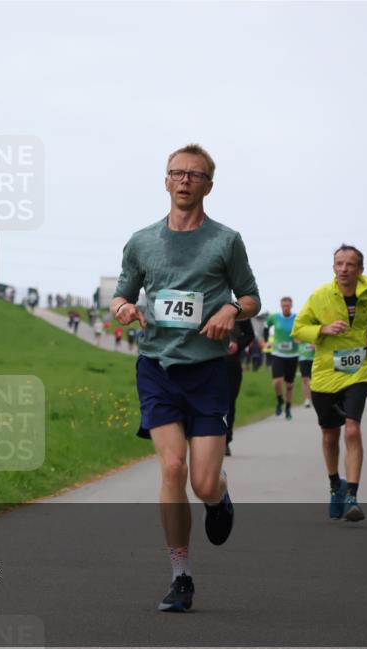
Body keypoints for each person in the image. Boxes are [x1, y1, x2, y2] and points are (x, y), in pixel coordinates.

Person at [110, 144, 260, 612]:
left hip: (209, 372)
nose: (185, 180)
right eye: (177, 172)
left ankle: (220, 497)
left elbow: (251, 297)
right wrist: (124, 308)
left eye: (195, 174)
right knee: (172, 469)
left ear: (208, 185)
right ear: (166, 181)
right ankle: (181, 576)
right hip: (157, 368)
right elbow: (120, 295)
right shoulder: (142, 241)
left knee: (203, 482)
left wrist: (231, 310)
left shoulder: (226, 240)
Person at [293, 244, 367, 523]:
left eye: (350, 264)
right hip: (326, 374)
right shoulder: (320, 296)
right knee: (330, 435)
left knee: (352, 429)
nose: (344, 269)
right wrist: (323, 329)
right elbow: (299, 329)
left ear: (360, 269)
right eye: (339, 264)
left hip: (358, 371)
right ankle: (335, 486)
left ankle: (352, 496)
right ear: (333, 267)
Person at [265, 297, 300, 419]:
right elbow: (266, 326)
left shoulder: (297, 318)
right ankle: (280, 400)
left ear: (291, 306)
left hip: (292, 355)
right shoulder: (274, 317)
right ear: (281, 306)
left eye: (288, 306)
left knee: (289, 385)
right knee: (277, 381)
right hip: (278, 354)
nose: (285, 308)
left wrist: (299, 338)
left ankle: (288, 408)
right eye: (283, 306)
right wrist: (266, 341)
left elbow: (302, 331)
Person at [224, 319, 256, 456]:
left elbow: (249, 335)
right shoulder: (204, 309)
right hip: (206, 363)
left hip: (231, 363)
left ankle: (226, 440)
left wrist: (238, 344)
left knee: (229, 403)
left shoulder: (238, 311)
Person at [298, 341, 315, 407]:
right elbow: (296, 340)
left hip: (314, 358)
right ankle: (306, 400)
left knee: (314, 379)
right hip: (303, 358)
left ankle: (314, 398)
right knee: (305, 379)